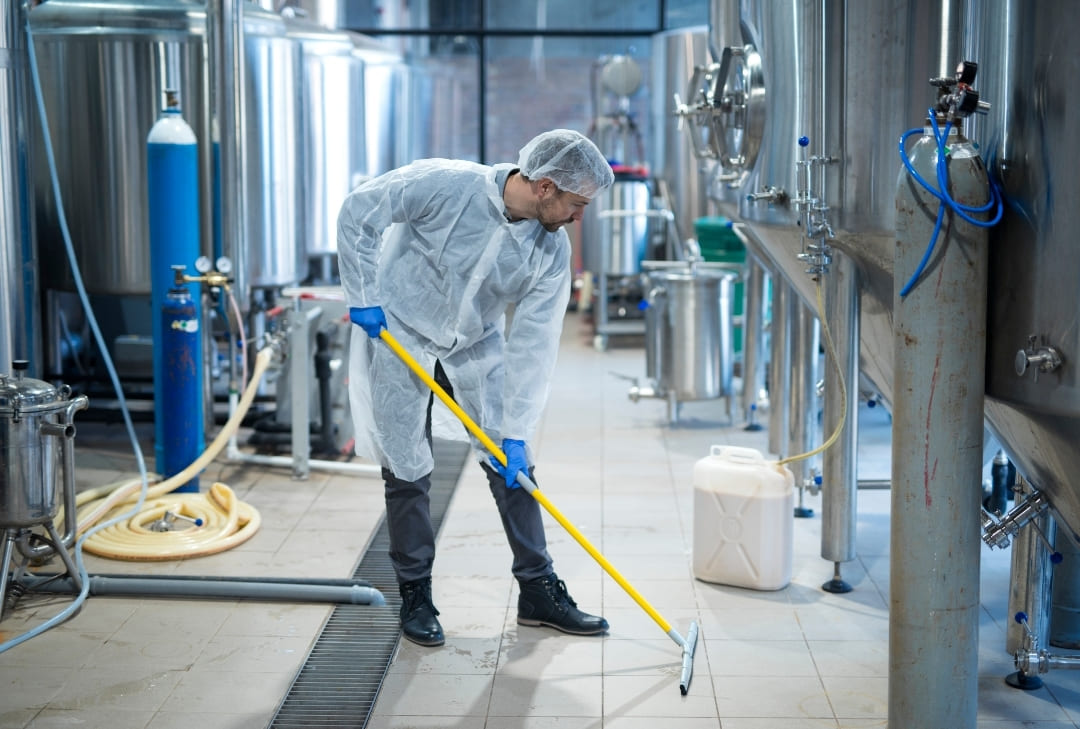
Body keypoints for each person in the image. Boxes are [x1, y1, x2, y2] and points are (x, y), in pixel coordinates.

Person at [337, 129, 615, 647]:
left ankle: (538, 591)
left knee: (514, 466)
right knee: (406, 467)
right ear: (547, 187)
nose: (580, 217)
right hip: (400, 330)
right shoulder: (443, 184)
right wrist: (363, 294)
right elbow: (360, 211)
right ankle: (415, 593)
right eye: (577, 204)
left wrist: (518, 430)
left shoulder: (550, 251)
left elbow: (535, 345)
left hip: (473, 345)